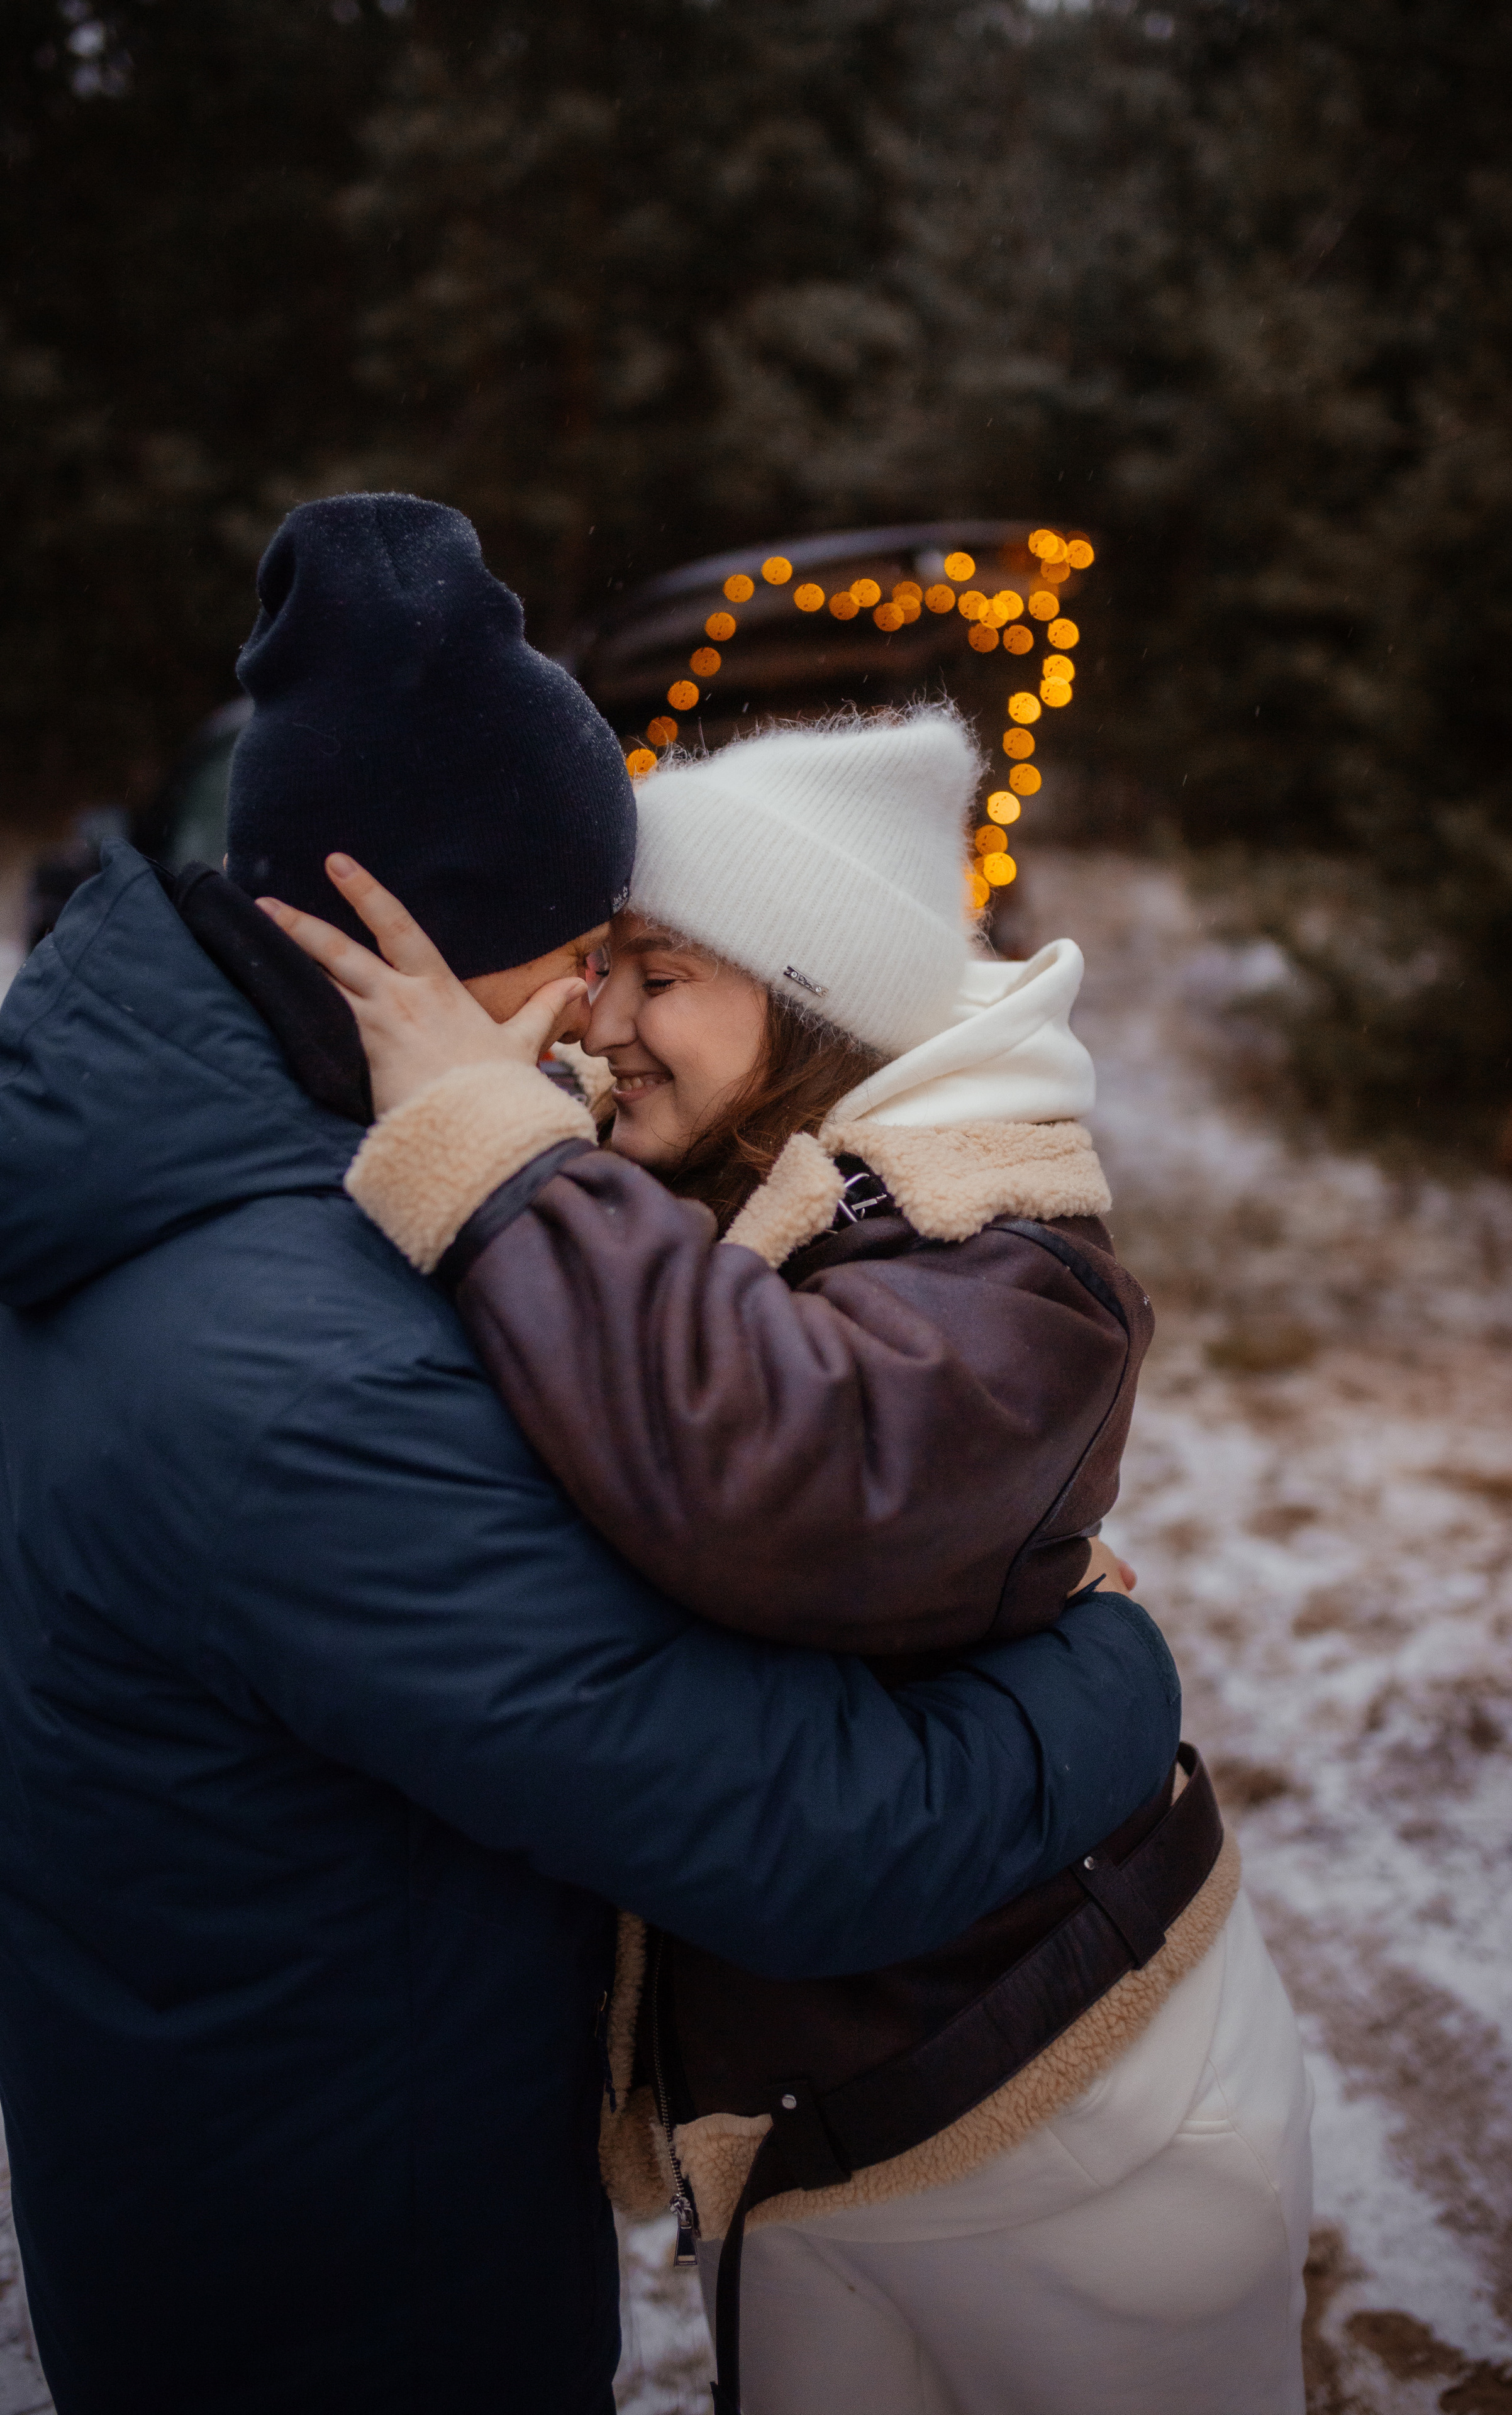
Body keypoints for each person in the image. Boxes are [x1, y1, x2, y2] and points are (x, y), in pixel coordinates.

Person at [0, 495, 1181, 2415]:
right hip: (348, 2283)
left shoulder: (173, 1173)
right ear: (437, 940)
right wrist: (1113, 1678)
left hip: (240, 2167)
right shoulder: (300, 1359)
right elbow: (801, 1835)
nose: (593, 1030)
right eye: (580, 957)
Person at [267, 705, 1314, 2415]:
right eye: (601, 971)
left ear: (811, 999)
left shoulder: (1017, 1272)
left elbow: (772, 1476)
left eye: (656, 974)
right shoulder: (711, 1200)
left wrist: (490, 1146)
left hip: (1080, 2124)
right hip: (811, 2149)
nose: (603, 1022)